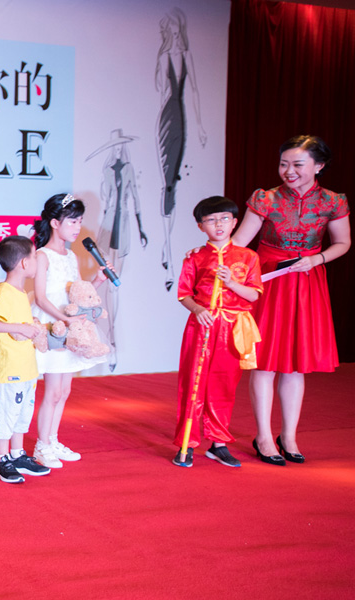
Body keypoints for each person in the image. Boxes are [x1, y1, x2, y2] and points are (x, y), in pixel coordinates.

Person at [231, 135, 350, 464]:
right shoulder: (265, 199)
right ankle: (263, 437)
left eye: (297, 164)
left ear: (319, 166)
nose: (288, 171)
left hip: (307, 282)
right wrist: (215, 258)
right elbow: (240, 242)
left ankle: (290, 437)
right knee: (265, 362)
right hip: (269, 281)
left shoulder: (333, 202)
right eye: (284, 164)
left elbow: (343, 243)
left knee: (296, 364)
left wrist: (317, 259)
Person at [172, 197, 262, 468]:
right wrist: (198, 309)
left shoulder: (248, 257)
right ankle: (186, 444)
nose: (218, 224)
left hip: (232, 328)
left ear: (235, 223)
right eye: (210, 220)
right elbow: (183, 294)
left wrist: (231, 283)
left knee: (224, 386)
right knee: (193, 384)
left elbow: (254, 295)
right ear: (201, 226)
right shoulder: (195, 257)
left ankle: (218, 444)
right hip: (202, 326)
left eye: (224, 218)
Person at [31, 194, 109, 469]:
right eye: (72, 221)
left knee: (64, 391)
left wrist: (97, 281)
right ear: (55, 223)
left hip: (71, 327)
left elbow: (78, 295)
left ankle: (52, 440)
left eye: (80, 221)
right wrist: (64, 319)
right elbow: (41, 298)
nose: (77, 227)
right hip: (53, 327)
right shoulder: (42, 255)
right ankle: (42, 445)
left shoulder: (72, 256)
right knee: (53, 391)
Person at [0, 236, 51, 483]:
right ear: (24, 263)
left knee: (23, 411)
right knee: (8, 411)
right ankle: (2, 460)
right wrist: (20, 328)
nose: (37, 262)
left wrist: (29, 326)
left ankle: (17, 454)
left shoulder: (20, 292)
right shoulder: (6, 292)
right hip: (11, 366)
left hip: (26, 365)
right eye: (34, 257)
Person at [87, 129, 149, 370]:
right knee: (106, 285)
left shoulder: (129, 169)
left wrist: (141, 228)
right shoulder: (107, 171)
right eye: (115, 145)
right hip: (108, 223)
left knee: (115, 285)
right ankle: (108, 340)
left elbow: (135, 199)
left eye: (121, 145)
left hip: (123, 224)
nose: (118, 149)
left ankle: (113, 340)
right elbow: (106, 203)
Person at [155, 7, 207, 291]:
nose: (174, 36)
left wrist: (199, 126)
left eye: (177, 32)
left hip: (181, 120)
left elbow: (196, 91)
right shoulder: (164, 57)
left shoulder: (186, 56)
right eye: (170, 32)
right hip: (166, 120)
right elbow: (160, 92)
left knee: (173, 182)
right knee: (167, 182)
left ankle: (168, 247)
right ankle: (166, 247)